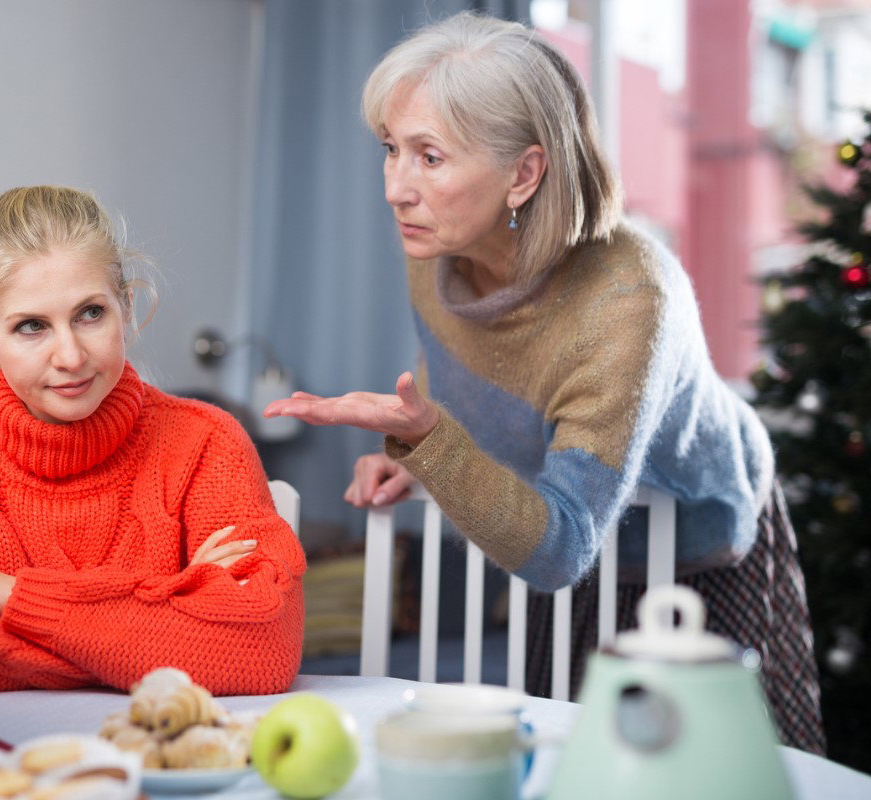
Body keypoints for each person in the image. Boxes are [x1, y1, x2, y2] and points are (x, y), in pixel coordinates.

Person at [262, 12, 825, 753]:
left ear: (525, 173)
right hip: (561, 528)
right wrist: (415, 450)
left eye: (430, 157)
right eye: (391, 150)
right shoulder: (436, 250)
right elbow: (459, 372)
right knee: (566, 763)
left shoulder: (628, 299)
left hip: (697, 550)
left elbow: (563, 546)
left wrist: (433, 443)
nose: (398, 187)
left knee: (715, 771)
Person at [0, 185, 305, 698]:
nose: (70, 356)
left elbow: (262, 651)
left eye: (90, 314)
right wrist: (159, 617)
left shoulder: (207, 444)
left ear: (125, 309)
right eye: (31, 327)